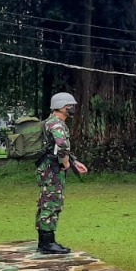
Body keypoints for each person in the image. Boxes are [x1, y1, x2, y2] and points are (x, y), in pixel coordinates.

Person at [36, 92, 89, 254]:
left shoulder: (51, 122)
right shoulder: (56, 124)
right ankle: (47, 243)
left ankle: (45, 241)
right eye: (69, 106)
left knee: (48, 202)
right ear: (61, 107)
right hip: (52, 170)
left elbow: (55, 147)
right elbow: (62, 144)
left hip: (48, 167)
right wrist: (65, 162)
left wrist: (73, 162)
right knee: (51, 203)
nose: (72, 109)